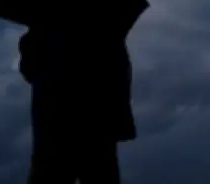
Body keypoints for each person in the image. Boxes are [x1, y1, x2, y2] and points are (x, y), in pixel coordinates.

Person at [19, 20, 136, 184]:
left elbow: (29, 70)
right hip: (98, 127)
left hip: (55, 126)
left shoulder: (41, 32)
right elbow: (121, 75)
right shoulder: (107, 33)